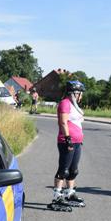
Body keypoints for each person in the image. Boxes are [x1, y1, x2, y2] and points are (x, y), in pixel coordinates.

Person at [48, 80, 86, 212]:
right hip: (66, 142)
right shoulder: (65, 103)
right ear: (75, 93)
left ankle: (69, 193)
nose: (82, 96)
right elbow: (63, 122)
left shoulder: (74, 105)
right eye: (81, 93)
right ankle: (57, 197)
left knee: (73, 170)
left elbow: (78, 122)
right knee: (63, 170)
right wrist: (68, 139)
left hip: (77, 142)